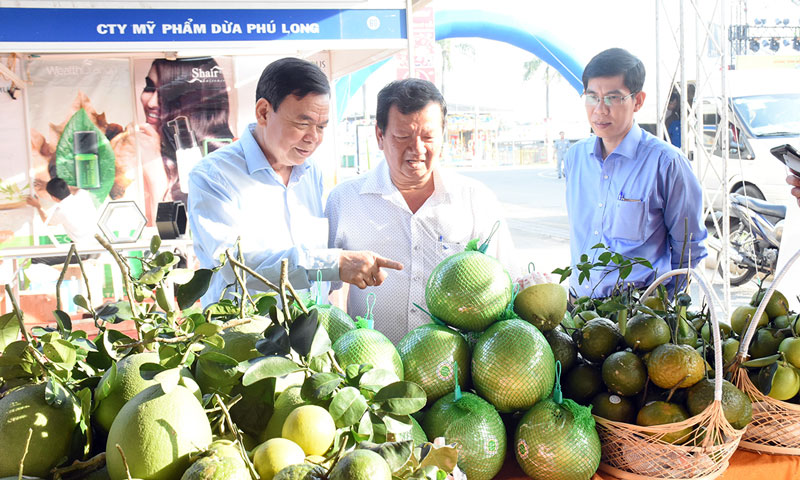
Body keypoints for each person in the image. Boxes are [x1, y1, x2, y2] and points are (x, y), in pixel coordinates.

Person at [188, 57, 402, 307]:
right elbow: (232, 265)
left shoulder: (311, 173)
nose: (313, 138)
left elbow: (319, 265)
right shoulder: (214, 176)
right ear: (264, 112)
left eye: (321, 127)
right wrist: (332, 264)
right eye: (303, 123)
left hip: (311, 336)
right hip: (245, 340)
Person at [325, 78, 517, 344]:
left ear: (443, 135)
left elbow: (507, 283)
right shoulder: (344, 201)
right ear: (380, 136)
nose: (417, 149)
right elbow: (321, 291)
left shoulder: (475, 199)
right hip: (372, 373)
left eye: (428, 137)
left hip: (456, 375)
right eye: (403, 137)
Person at [564, 48, 707, 299]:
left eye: (612, 98)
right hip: (578, 308)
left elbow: (688, 250)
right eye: (592, 97)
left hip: (640, 318)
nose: (600, 109)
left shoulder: (667, 164)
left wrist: (659, 305)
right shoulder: (575, 159)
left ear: (638, 101)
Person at [139, 57, 235, 219]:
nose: (151, 103)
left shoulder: (232, 155)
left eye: (165, 93)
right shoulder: (136, 153)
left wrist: (156, 174)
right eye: (149, 87)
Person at [26, 177, 99, 264]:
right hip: (97, 246)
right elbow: (74, 189)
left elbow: (48, 221)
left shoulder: (61, 211)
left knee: (36, 259)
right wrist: (48, 186)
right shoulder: (83, 194)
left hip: (83, 252)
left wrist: (37, 206)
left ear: (54, 198)